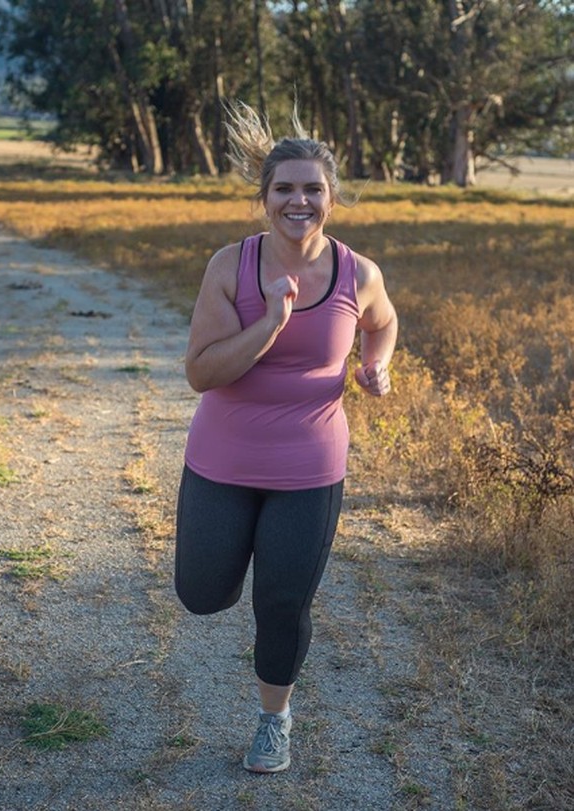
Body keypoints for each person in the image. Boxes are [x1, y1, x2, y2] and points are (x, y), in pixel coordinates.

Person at [174, 101, 397, 774]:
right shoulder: (231, 266)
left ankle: (275, 719)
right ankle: (233, 566)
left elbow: (383, 323)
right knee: (202, 593)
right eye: (284, 188)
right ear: (264, 199)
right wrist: (271, 321)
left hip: (311, 465)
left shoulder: (357, 273)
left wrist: (375, 363)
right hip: (221, 461)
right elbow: (199, 372)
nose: (298, 200)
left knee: (282, 602)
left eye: (312, 189)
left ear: (330, 198)